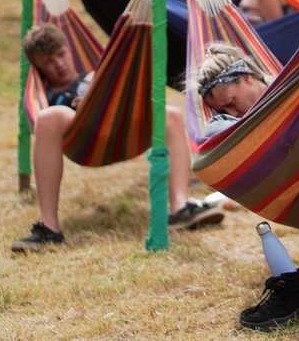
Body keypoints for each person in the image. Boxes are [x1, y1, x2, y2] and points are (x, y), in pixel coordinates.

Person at [12, 24, 224, 252]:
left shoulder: (97, 75)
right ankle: (49, 229)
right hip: (81, 137)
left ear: (69, 49)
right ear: (38, 68)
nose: (59, 64)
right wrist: (84, 110)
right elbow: (41, 117)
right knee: (49, 116)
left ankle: (180, 208)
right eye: (48, 62)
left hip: (121, 130)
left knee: (170, 115)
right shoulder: (46, 95)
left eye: (60, 54)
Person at [195, 43, 299, 330]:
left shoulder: (293, 89)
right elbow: (212, 138)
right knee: (214, 136)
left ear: (247, 78)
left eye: (231, 101)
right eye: (222, 108)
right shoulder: (231, 123)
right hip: (290, 183)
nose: (232, 110)